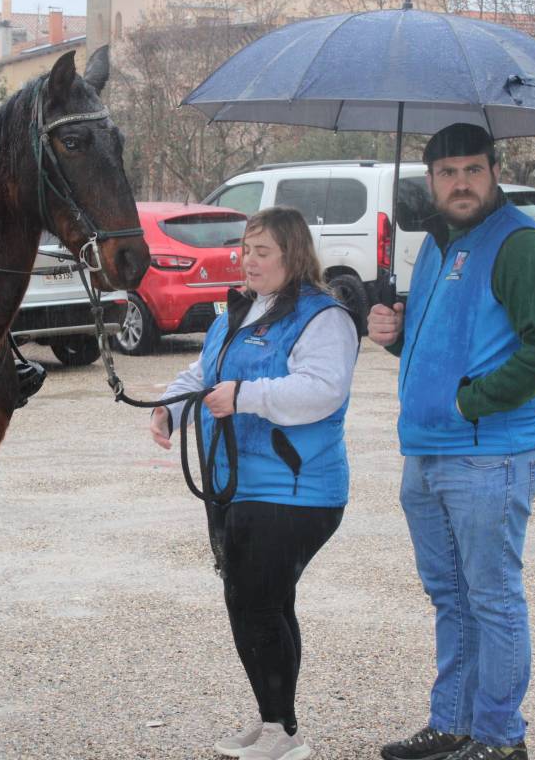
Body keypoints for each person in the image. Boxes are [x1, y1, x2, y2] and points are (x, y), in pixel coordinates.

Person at [370, 123, 535, 760]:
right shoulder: (437, 245)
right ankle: (453, 723)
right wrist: (396, 336)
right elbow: (451, 344)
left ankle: (500, 738)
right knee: (450, 596)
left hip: (492, 453)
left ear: (494, 173)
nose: (460, 183)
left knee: (490, 597)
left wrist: (472, 401)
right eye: (447, 173)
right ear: (430, 181)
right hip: (426, 451)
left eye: (473, 170)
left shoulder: (520, 245)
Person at [148, 207, 359, 760]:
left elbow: (322, 390)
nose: (249, 260)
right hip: (234, 483)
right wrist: (170, 409)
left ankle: (283, 732)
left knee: (258, 602)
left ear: (294, 255)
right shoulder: (237, 312)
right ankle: (272, 718)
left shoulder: (322, 317)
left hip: (293, 488)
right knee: (250, 600)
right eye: (247, 248)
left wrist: (246, 395)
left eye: (263, 251)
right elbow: (203, 373)